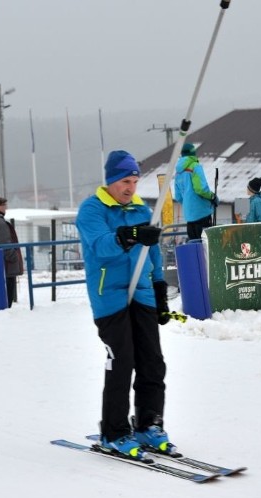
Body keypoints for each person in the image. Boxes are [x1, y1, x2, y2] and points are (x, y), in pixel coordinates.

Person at [76, 150, 174, 460]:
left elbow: (153, 253)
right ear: (110, 182)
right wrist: (130, 234)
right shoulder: (91, 210)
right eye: (124, 182)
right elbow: (102, 247)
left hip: (142, 293)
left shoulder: (140, 209)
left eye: (134, 181)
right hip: (110, 296)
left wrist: (159, 290)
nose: (130, 188)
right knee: (122, 363)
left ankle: (148, 424)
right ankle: (114, 431)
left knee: (152, 362)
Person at [173, 142, 218, 240]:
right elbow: (201, 189)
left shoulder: (178, 172)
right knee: (206, 248)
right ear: (193, 153)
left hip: (189, 217)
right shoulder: (195, 166)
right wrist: (212, 197)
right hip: (202, 213)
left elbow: (178, 197)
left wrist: (188, 203)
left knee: (195, 247)